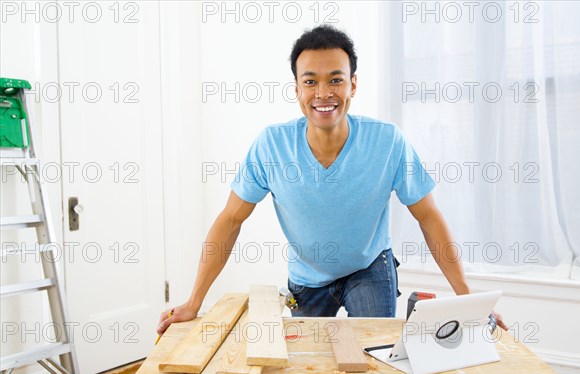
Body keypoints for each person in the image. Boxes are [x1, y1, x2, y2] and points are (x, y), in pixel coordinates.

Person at [157, 25, 507, 335]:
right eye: (310, 81)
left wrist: (467, 298)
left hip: (369, 269)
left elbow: (428, 217)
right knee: (304, 368)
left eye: (336, 80)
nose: (323, 93)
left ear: (353, 84)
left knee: (375, 360)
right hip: (307, 278)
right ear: (296, 88)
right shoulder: (271, 145)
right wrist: (193, 301)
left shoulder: (387, 142)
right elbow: (230, 220)